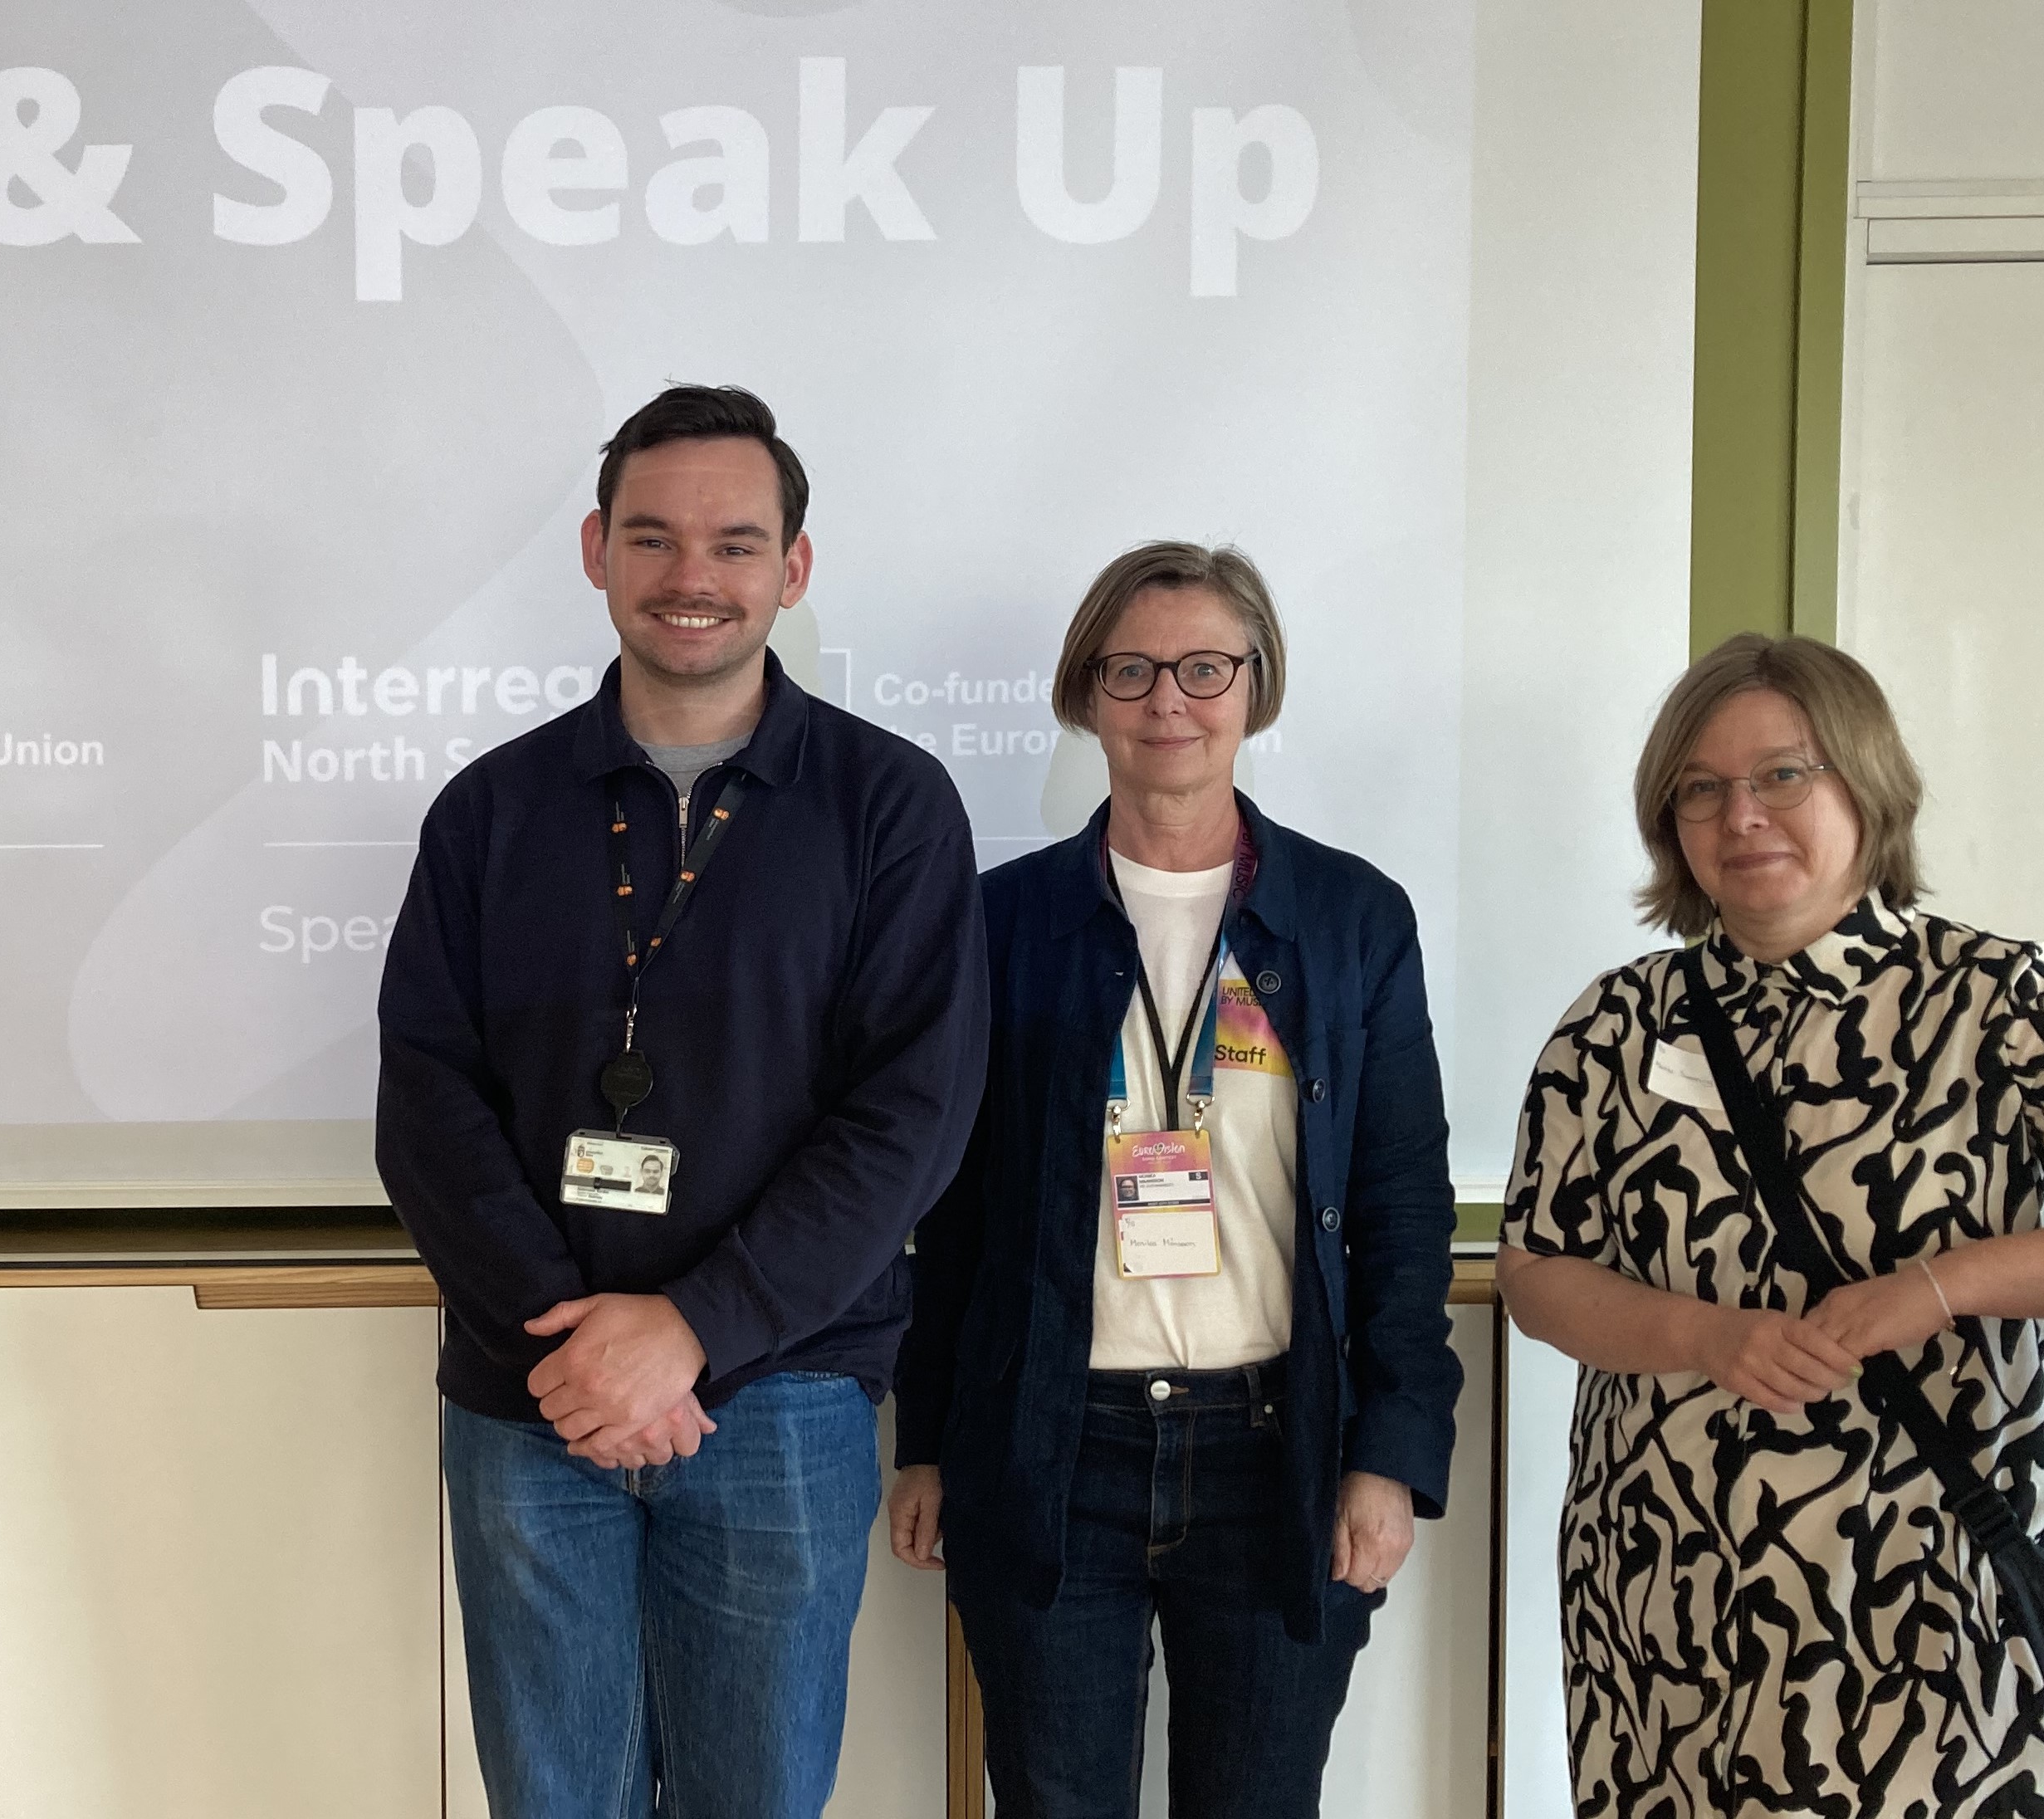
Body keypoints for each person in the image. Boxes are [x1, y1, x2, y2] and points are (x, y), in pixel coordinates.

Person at [1497, 633, 2044, 1817]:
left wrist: (1941, 1287)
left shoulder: (1997, 1000)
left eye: (1783, 775)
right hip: (1662, 1590)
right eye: (1701, 788)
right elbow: (1538, 1274)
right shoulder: (1613, 1025)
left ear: (1865, 782)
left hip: (1926, 1595)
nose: (1741, 814)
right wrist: (1709, 1338)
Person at [376, 384, 988, 1818]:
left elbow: (912, 1118)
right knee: (555, 1802)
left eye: (733, 541)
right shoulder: (492, 811)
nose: (691, 577)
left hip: (780, 1399)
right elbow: (429, 1104)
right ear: (596, 551)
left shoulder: (890, 808)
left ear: (795, 567)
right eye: (651, 538)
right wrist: (579, 1350)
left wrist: (696, 1330)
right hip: (533, 1401)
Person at [890, 541, 1460, 1818]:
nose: (1168, 702)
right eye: (1132, 669)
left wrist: (1390, 1456)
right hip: (1051, 1448)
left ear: (1256, 689)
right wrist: (922, 1444)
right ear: (1084, 694)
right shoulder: (1001, 924)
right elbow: (951, 1215)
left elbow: (1404, 1210)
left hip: (1279, 1451)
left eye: (1206, 668)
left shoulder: (1355, 921)